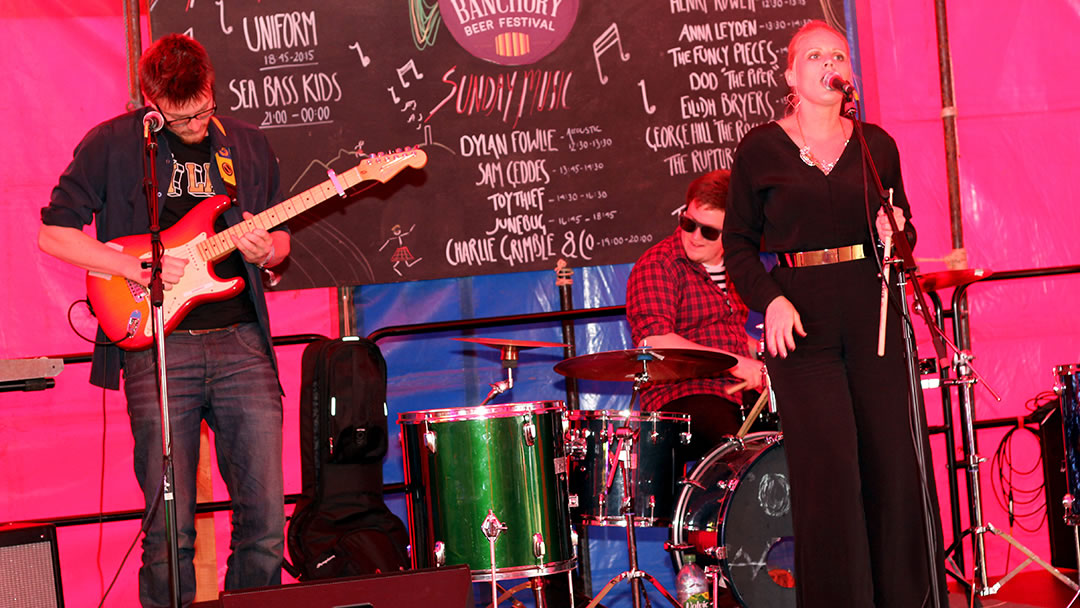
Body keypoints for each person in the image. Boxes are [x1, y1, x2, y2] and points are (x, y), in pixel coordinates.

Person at [38, 34, 290, 607]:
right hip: (158, 348)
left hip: (241, 343)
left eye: (204, 108)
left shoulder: (247, 146)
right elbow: (53, 232)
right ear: (151, 102)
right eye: (181, 117)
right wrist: (133, 263)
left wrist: (264, 251)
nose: (198, 123)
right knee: (167, 531)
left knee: (265, 521)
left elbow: (281, 243)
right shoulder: (110, 145)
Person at [722, 20, 947, 608]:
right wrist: (768, 297)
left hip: (874, 310)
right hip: (802, 321)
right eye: (815, 55)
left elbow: (905, 228)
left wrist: (896, 233)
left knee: (892, 465)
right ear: (791, 75)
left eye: (838, 55)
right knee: (830, 477)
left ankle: (906, 598)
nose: (830, 63)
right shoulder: (759, 149)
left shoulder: (877, 145)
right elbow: (739, 243)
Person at [626, 169, 764, 461]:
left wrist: (760, 353)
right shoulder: (659, 264)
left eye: (709, 231)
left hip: (732, 394)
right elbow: (655, 341)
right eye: (688, 224)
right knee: (734, 448)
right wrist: (737, 363)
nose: (694, 237)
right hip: (682, 397)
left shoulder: (737, 266)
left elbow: (729, 332)